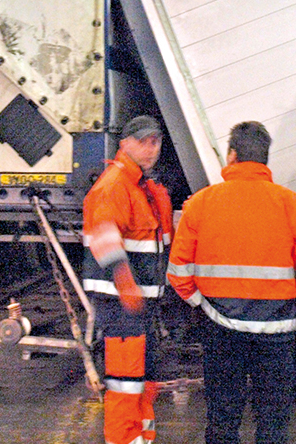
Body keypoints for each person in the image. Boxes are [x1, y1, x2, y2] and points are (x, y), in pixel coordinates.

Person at [168, 121, 296, 444]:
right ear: (264, 159)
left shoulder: (202, 204)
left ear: (232, 156)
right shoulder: (292, 205)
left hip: (220, 328)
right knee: (272, 422)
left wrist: (199, 303)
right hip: (277, 333)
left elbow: (177, 270)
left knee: (222, 419)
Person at [82, 115, 174, 444]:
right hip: (122, 306)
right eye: (143, 141)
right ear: (124, 144)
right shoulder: (116, 185)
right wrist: (126, 283)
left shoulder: (140, 187)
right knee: (126, 387)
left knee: (142, 385)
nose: (151, 149)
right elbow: (104, 235)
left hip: (137, 306)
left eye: (156, 142)